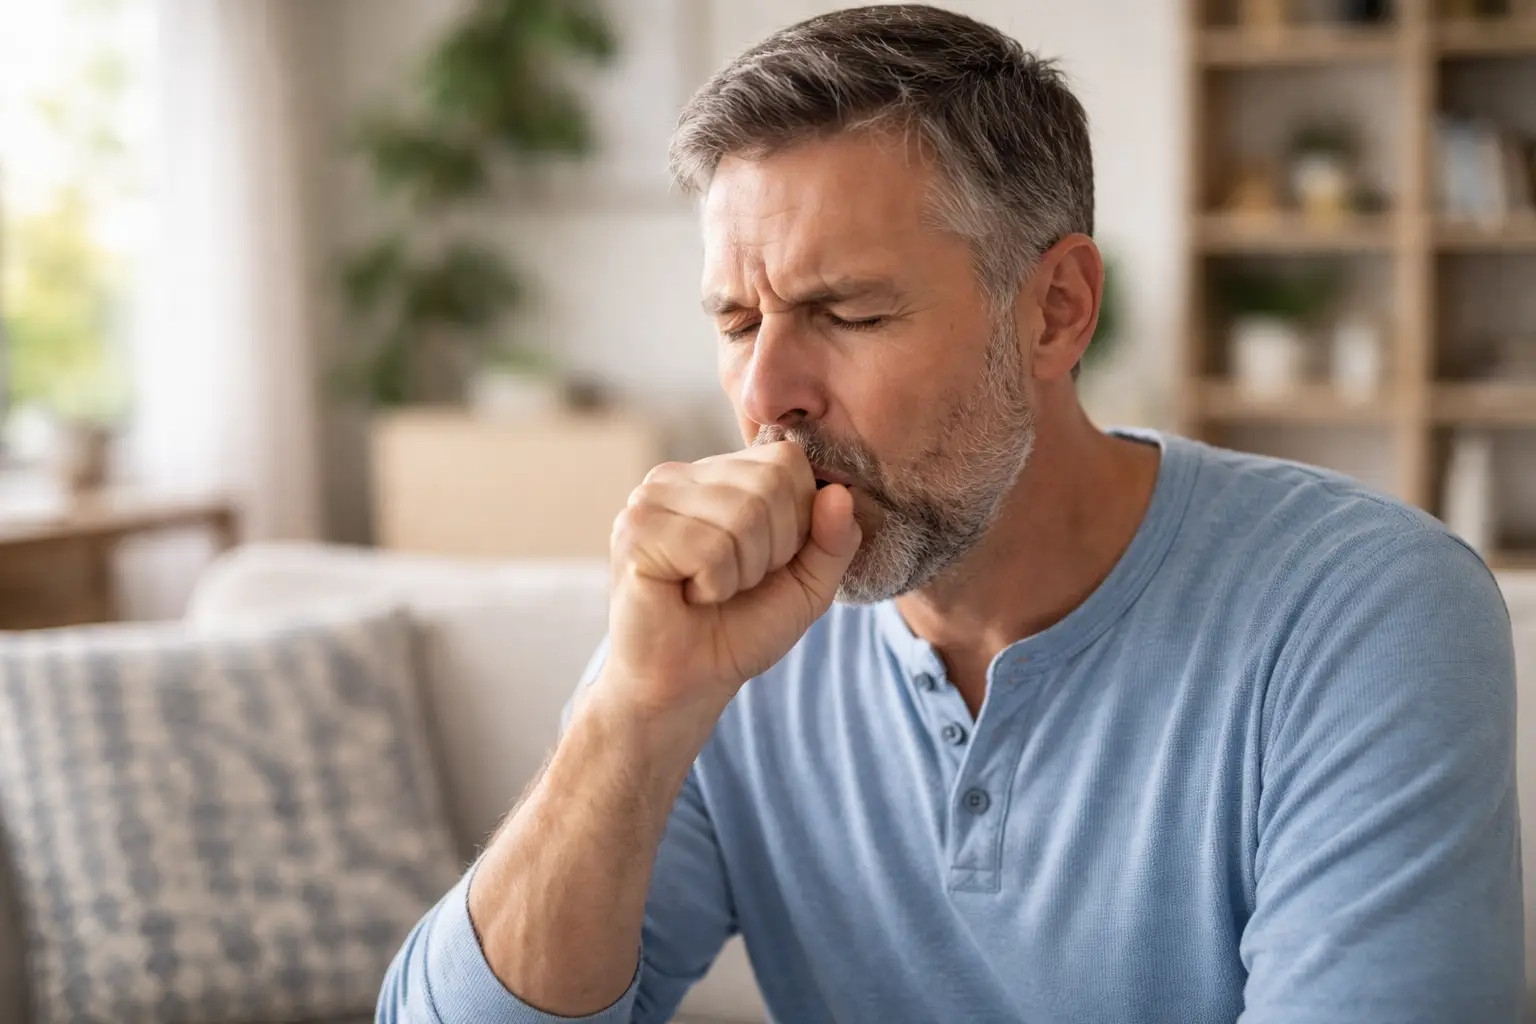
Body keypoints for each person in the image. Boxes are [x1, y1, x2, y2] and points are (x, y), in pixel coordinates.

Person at [376, 6, 1523, 1022]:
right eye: (736, 323)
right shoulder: (724, 633)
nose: (767, 396)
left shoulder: (1365, 610)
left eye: (848, 311)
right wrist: (631, 715)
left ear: (1057, 312)